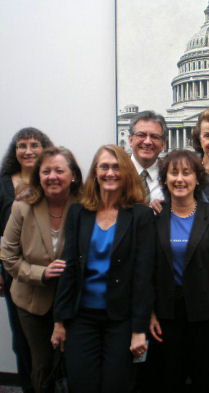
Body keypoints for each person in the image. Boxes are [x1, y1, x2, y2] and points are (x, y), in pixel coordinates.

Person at [52, 145, 155, 393]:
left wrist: (139, 330)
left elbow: (143, 276)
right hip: (82, 317)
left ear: (127, 173)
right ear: (95, 173)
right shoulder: (78, 212)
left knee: (115, 386)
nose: (111, 173)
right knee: (81, 384)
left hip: (120, 320)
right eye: (104, 167)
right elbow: (70, 268)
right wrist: (59, 321)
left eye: (117, 167)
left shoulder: (140, 215)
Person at [148, 149, 209, 393]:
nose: (180, 179)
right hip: (166, 315)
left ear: (197, 179)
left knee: (202, 379)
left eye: (187, 173)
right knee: (169, 379)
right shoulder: (154, 216)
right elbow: (148, 269)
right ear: (165, 179)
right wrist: (150, 312)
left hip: (206, 313)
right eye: (173, 173)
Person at [1, 146, 82, 393]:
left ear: (73, 175)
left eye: (59, 170)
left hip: (73, 302)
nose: (52, 176)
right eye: (46, 171)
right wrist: (42, 274)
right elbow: (8, 255)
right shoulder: (22, 206)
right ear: (38, 176)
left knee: (74, 363)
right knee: (42, 365)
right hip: (32, 302)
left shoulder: (85, 206)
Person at [0, 127, 53, 393]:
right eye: (22, 145)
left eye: (34, 144)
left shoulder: (52, 180)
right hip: (13, 272)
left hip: (49, 271)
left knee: (51, 340)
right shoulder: (3, 183)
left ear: (45, 149)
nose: (28, 150)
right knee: (22, 339)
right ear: (15, 151)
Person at [128, 110, 167, 203]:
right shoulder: (116, 173)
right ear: (130, 140)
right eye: (141, 135)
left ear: (163, 144)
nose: (147, 142)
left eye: (154, 136)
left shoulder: (171, 175)